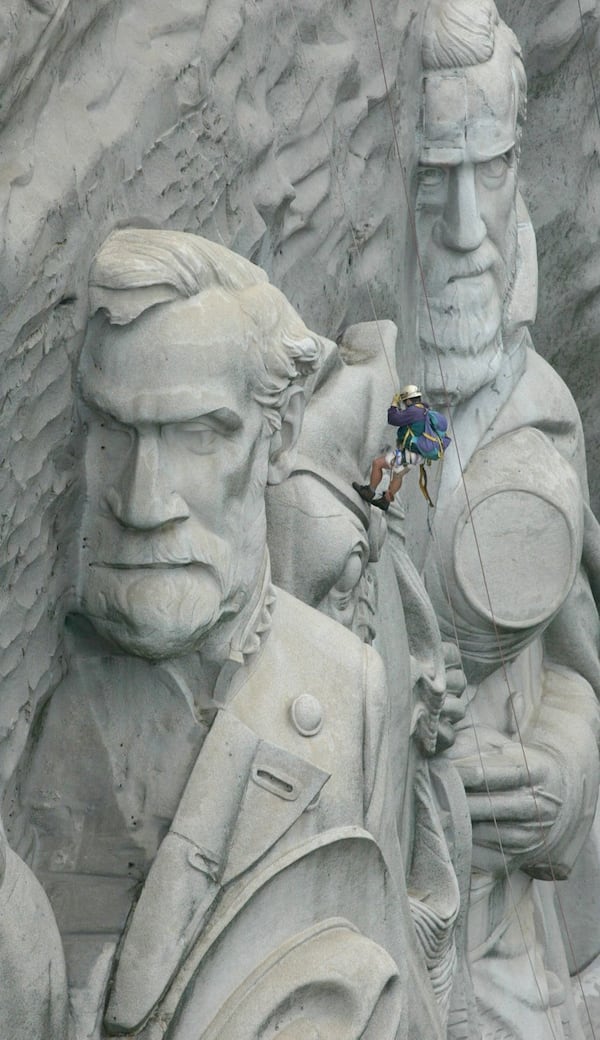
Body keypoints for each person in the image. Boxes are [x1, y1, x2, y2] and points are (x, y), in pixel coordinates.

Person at [11, 228, 443, 1040]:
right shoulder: (43, 705)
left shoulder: (345, 681)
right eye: (114, 431)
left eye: (198, 436)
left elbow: (387, 969)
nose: (145, 502)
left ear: (276, 438)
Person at [411, 3, 600, 1038]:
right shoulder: (395, 409)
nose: (466, 225)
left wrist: (560, 776)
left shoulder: (538, 404)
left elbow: (575, 667)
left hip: (510, 949)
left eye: (489, 169)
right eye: (435, 174)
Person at [353, 384, 450, 511]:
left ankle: (370, 492)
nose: (404, 403)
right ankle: (385, 501)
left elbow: (393, 419)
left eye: (405, 401)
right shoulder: (424, 410)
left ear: (409, 399)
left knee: (378, 464)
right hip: (418, 455)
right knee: (398, 474)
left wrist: (394, 405)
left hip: (410, 454)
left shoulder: (414, 411)